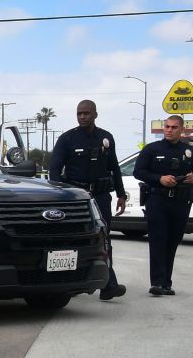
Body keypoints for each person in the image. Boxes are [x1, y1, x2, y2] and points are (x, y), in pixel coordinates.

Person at [49, 100, 127, 300]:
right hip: (76, 198)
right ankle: (69, 282)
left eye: (86, 113)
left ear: (95, 114)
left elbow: (114, 167)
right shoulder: (67, 139)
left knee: (104, 238)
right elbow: (55, 170)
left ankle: (109, 285)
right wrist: (61, 196)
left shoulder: (105, 137)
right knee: (71, 239)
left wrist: (121, 193)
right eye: (79, 113)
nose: (82, 116)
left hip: (101, 196)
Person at [134, 115, 193, 296]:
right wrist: (159, 178)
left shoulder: (188, 150)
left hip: (181, 202)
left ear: (181, 129)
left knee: (173, 241)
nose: (169, 130)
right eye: (167, 126)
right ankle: (157, 283)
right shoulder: (152, 149)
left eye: (174, 127)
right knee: (158, 240)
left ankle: (167, 282)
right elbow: (138, 171)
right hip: (158, 200)